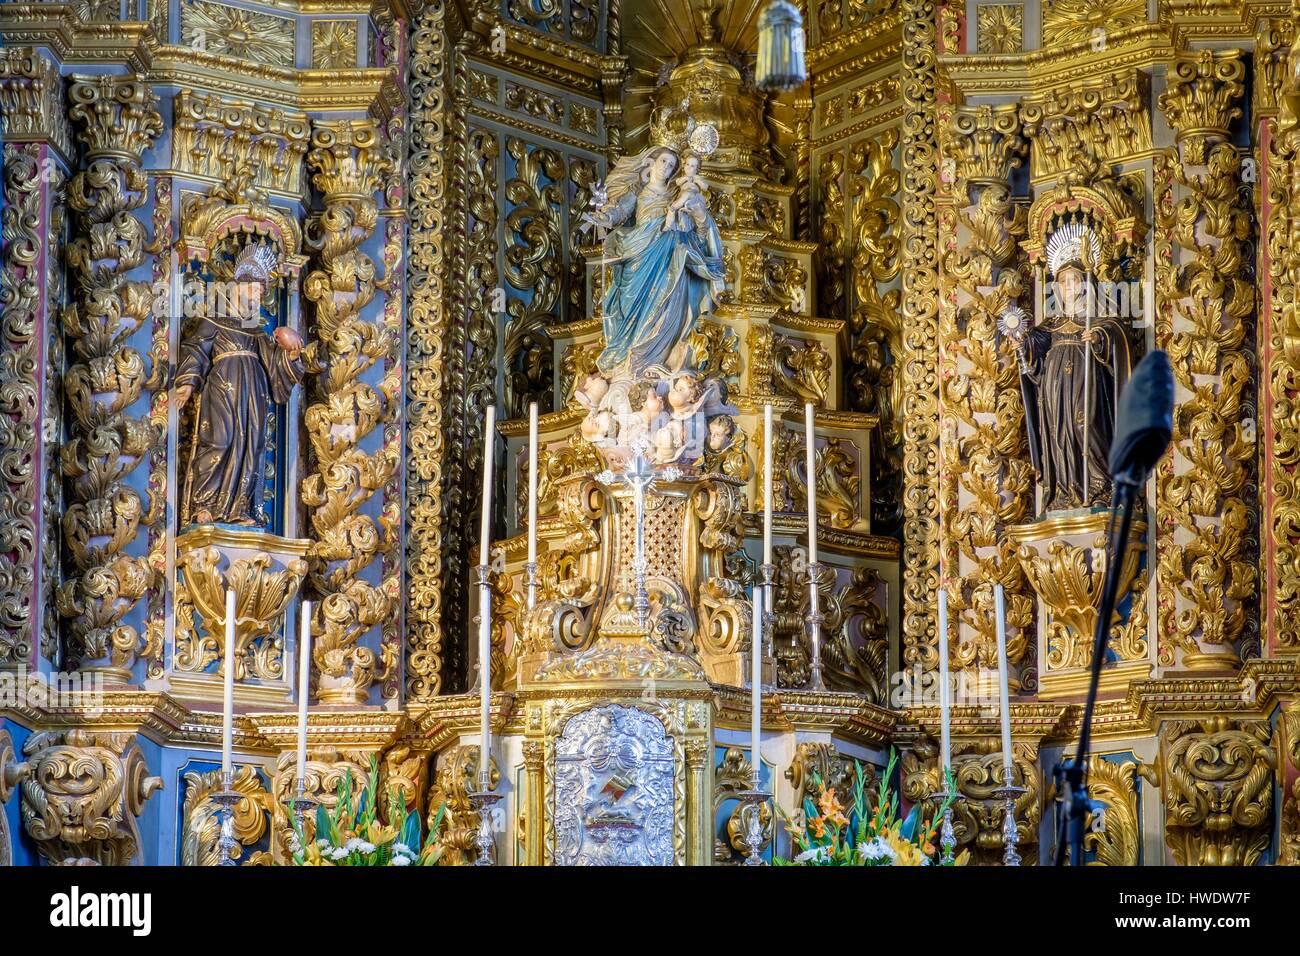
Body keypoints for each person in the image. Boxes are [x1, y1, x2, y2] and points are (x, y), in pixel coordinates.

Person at [175, 240, 304, 525]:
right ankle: (205, 505)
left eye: (261, 293)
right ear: (239, 286)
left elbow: (274, 365)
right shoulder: (215, 318)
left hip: (253, 393)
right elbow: (197, 348)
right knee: (219, 441)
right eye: (255, 290)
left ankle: (239, 509)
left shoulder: (257, 330)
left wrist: (291, 355)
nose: (258, 299)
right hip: (222, 387)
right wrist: (187, 382)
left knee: (251, 447)